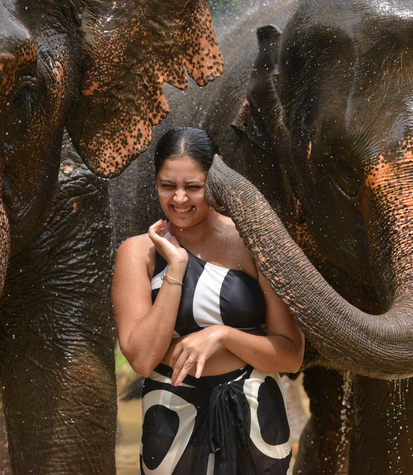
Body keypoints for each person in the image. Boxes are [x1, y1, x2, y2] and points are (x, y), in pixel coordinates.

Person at [112, 127, 305, 475]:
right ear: (155, 183)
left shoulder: (253, 241)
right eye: (167, 186)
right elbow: (142, 358)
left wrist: (221, 335)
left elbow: (290, 355)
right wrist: (176, 268)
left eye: (193, 187)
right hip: (171, 418)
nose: (180, 199)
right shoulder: (138, 253)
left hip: (257, 414)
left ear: (213, 184)